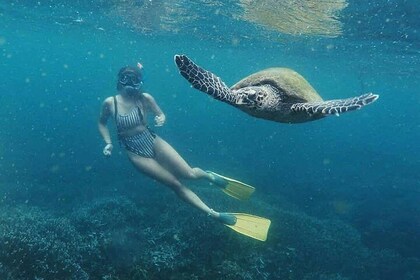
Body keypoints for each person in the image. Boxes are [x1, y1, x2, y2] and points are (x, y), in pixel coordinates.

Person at [98, 63, 270, 241]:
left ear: (139, 82)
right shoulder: (110, 103)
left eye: (133, 79)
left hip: (152, 140)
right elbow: (102, 123)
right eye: (125, 78)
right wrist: (108, 143)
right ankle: (214, 214)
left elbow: (160, 113)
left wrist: (161, 118)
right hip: (134, 152)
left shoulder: (145, 98)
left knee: (189, 173)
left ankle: (209, 176)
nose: (129, 82)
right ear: (119, 80)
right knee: (175, 184)